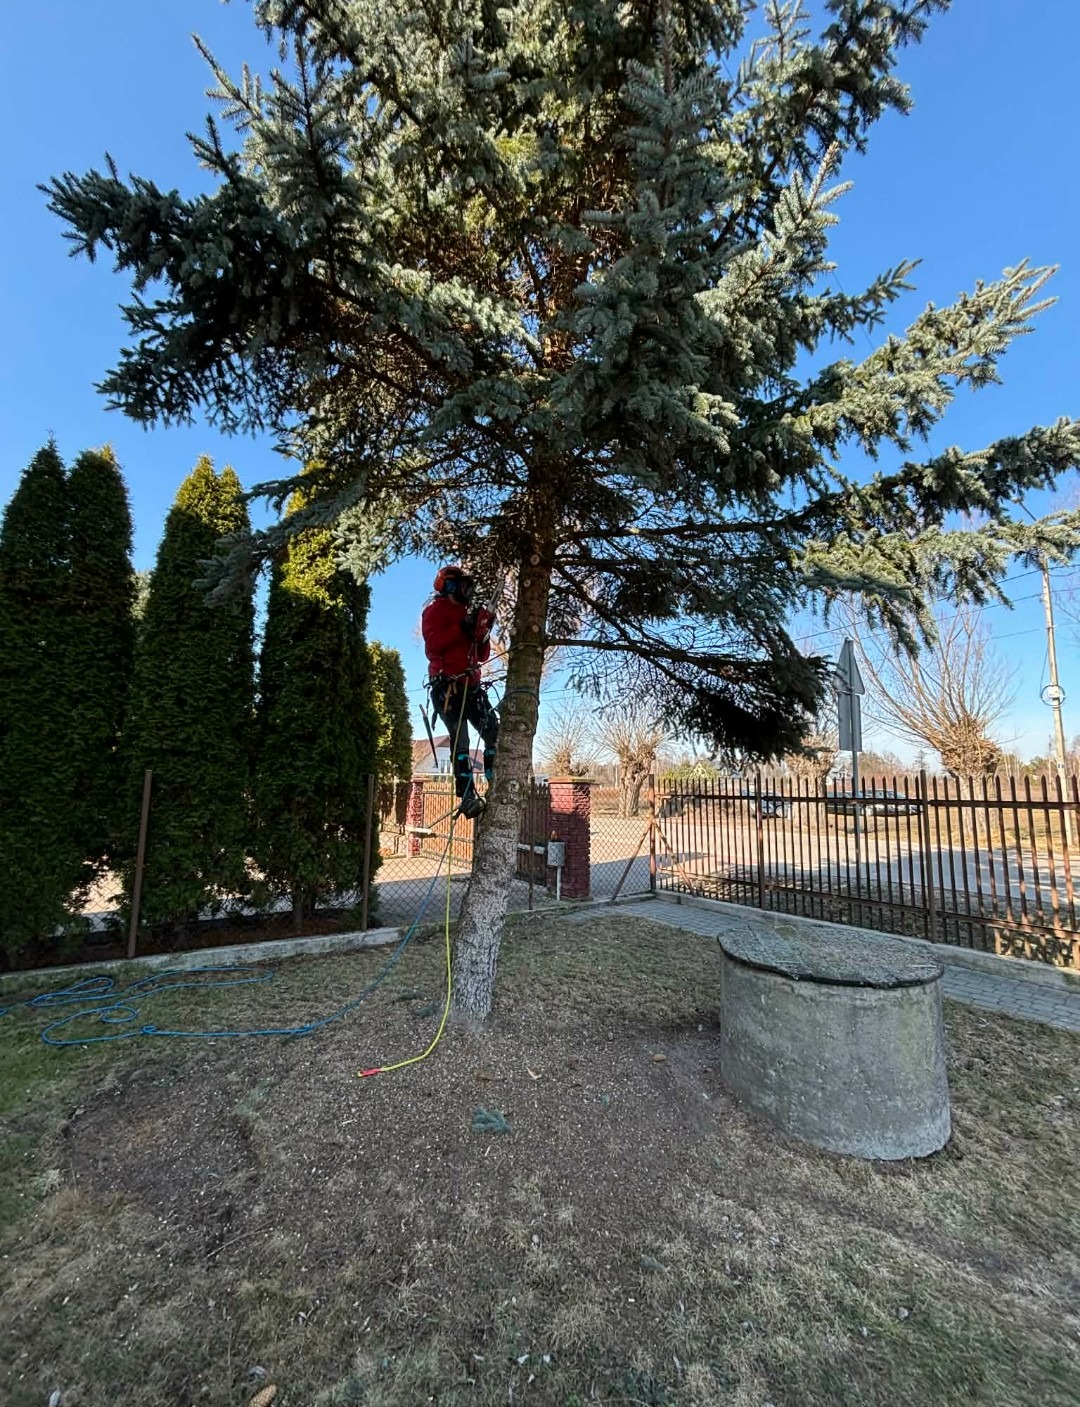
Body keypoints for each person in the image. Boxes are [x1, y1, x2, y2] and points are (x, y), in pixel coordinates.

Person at [421, 565, 498, 819]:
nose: (467, 591)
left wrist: (483, 632)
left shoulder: (467, 613)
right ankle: (467, 796)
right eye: (463, 586)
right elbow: (433, 646)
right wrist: (460, 628)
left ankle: (494, 784)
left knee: (493, 731)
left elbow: (482, 654)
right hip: (448, 687)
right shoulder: (435, 612)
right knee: (461, 741)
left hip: (472, 685)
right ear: (450, 586)